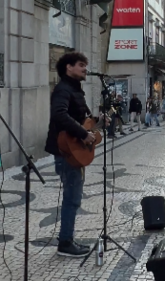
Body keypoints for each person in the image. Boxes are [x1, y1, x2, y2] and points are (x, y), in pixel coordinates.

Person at [45, 52, 100, 258]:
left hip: (73, 152)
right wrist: (83, 133)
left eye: (85, 65)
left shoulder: (75, 89)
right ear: (68, 67)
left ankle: (67, 238)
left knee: (73, 198)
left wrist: (94, 122)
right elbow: (59, 114)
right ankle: (65, 242)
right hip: (65, 152)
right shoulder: (63, 89)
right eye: (81, 65)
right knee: (72, 199)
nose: (85, 68)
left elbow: (80, 118)